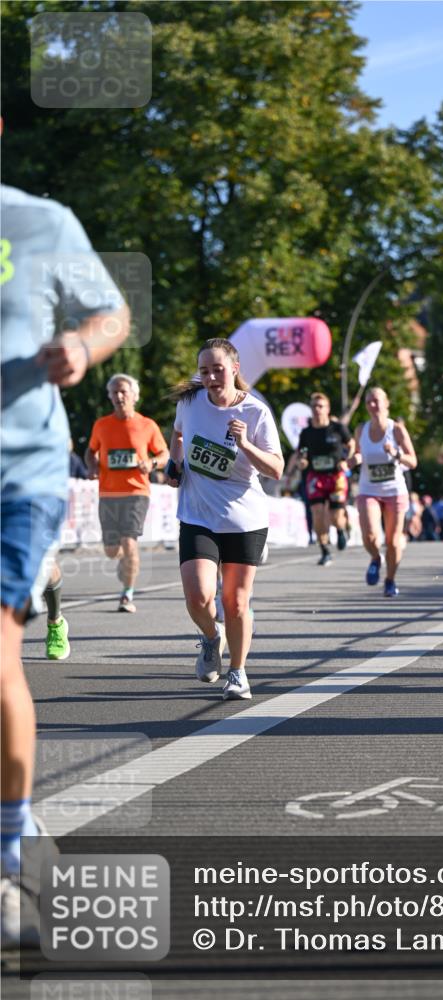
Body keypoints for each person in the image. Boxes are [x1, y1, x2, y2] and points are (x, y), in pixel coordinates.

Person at [1, 180, 129, 947]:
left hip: (19, 473)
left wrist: (83, 345)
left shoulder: (41, 220)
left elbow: (111, 313)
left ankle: (9, 859)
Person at [165, 338, 283, 699]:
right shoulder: (190, 402)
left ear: (234, 369)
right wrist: (176, 463)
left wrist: (246, 445)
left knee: (235, 602)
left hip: (244, 520)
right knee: (198, 595)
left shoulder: (256, 413)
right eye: (205, 371)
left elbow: (276, 469)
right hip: (198, 514)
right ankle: (211, 638)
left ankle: (238, 672)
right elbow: (179, 432)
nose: (212, 377)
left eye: (218, 369)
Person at [85, 374, 169, 613]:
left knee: (130, 543)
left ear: (134, 395)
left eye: (123, 391)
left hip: (136, 492)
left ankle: (127, 594)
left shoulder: (147, 425)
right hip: (108, 494)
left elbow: (164, 455)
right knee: (112, 552)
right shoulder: (101, 425)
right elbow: (90, 452)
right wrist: (92, 467)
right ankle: (123, 557)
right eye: (114, 392)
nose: (118, 396)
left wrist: (151, 464)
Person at [350, 386, 417, 596]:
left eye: (376, 400)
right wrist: (354, 459)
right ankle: (375, 558)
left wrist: (396, 453)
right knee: (370, 536)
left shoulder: (396, 429)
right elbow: (358, 453)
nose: (372, 404)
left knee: (393, 541)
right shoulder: (361, 429)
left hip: (394, 490)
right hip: (368, 489)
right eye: (369, 401)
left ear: (386, 403)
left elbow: (413, 461)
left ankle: (390, 580)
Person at [296, 392, 353, 566]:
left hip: (336, 477)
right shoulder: (306, 432)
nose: (317, 410)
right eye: (314, 406)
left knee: (335, 517)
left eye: (321, 406)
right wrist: (302, 461)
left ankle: (342, 528)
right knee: (318, 515)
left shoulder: (337, 428)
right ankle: (325, 550)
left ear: (327, 409)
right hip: (315, 477)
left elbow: (351, 444)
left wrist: (346, 460)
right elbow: (302, 452)